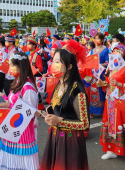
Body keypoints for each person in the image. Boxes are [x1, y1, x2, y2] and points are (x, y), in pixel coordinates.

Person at [40, 40, 89, 170]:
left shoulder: (77, 90)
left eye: (58, 62)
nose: (53, 65)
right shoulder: (59, 84)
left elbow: (84, 124)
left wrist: (59, 121)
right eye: (53, 61)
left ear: (70, 66)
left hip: (70, 141)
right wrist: (50, 113)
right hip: (55, 136)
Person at [0, 52, 40, 170]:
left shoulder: (28, 88)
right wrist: (3, 97)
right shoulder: (18, 82)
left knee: (21, 163)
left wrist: (8, 105)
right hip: (13, 129)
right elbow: (13, 102)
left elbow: (29, 112)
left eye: (11, 65)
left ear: (21, 66)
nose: (9, 68)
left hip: (22, 134)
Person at [98, 42, 125, 159]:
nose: (115, 53)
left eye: (118, 51)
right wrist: (101, 83)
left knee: (123, 121)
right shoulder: (110, 66)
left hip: (122, 98)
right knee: (110, 122)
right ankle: (111, 150)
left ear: (123, 54)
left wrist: (119, 84)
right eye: (114, 51)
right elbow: (107, 81)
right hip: (110, 99)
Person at [89, 32, 109, 118]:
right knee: (92, 90)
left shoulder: (105, 50)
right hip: (92, 73)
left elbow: (108, 62)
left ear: (102, 40)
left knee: (101, 91)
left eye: (98, 38)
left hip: (101, 73)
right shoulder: (91, 51)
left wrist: (100, 66)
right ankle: (91, 111)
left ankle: (101, 110)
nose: (96, 40)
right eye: (95, 38)